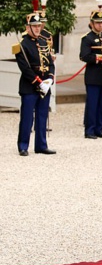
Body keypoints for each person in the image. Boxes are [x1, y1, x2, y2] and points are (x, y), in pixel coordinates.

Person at [14, 9, 55, 156]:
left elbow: (50, 63)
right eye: (35, 26)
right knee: (27, 118)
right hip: (30, 86)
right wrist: (39, 83)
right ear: (28, 27)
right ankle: (23, 146)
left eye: (39, 26)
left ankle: (41, 145)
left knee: (42, 116)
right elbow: (25, 68)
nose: (38, 28)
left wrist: (50, 78)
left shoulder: (44, 42)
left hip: (45, 85)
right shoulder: (22, 45)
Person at [79, 0, 102, 139]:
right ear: (92, 24)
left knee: (101, 103)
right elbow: (84, 56)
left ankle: (99, 128)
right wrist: (100, 58)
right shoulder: (87, 39)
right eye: (98, 23)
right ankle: (89, 130)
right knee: (92, 104)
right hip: (93, 74)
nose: (100, 25)